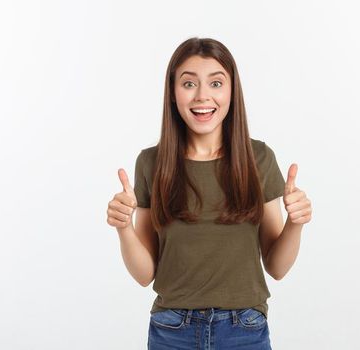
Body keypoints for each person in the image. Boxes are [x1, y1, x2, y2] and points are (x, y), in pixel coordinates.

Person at [106, 37, 312, 350]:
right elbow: (145, 273)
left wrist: (296, 223)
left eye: (216, 83)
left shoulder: (259, 159)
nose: (203, 96)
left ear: (232, 91)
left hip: (244, 329)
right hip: (171, 330)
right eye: (189, 84)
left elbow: (277, 267)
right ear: (173, 94)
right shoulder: (151, 162)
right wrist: (123, 228)